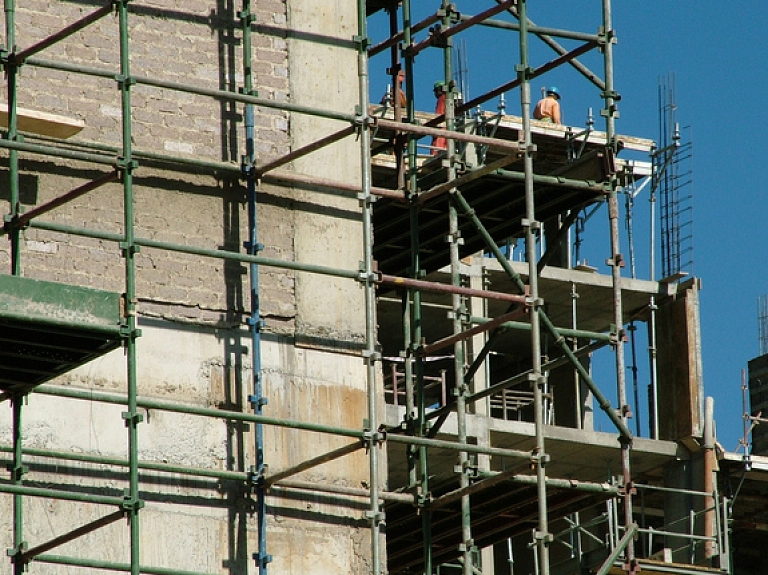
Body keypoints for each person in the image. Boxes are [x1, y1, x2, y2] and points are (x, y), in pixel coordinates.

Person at [431, 81, 447, 155]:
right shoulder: (450, 98)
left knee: (437, 152)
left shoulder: (442, 99)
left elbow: (439, 115)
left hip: (442, 130)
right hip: (450, 131)